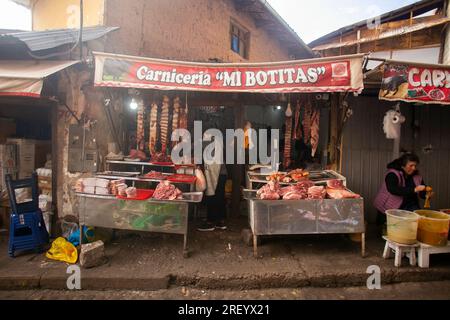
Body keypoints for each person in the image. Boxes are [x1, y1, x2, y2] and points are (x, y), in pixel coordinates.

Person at [374, 152, 427, 228]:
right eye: (411, 165)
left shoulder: (417, 177)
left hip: (410, 206)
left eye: (415, 165)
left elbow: (421, 192)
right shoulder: (392, 174)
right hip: (390, 204)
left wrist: (426, 195)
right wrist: (414, 189)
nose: (414, 168)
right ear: (403, 166)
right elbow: (393, 189)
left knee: (413, 226)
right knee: (387, 229)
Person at [198, 134, 228, 232]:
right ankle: (220, 222)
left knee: (213, 196)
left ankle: (210, 222)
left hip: (218, 174)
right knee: (219, 197)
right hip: (220, 174)